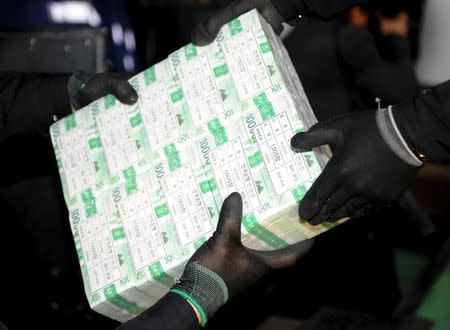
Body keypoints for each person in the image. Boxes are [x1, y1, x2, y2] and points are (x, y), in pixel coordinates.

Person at [190, 0, 450, 226]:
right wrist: (397, 40)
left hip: (290, 167)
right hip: (319, 174)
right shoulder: (352, 41)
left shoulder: (323, 34)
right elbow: (401, 91)